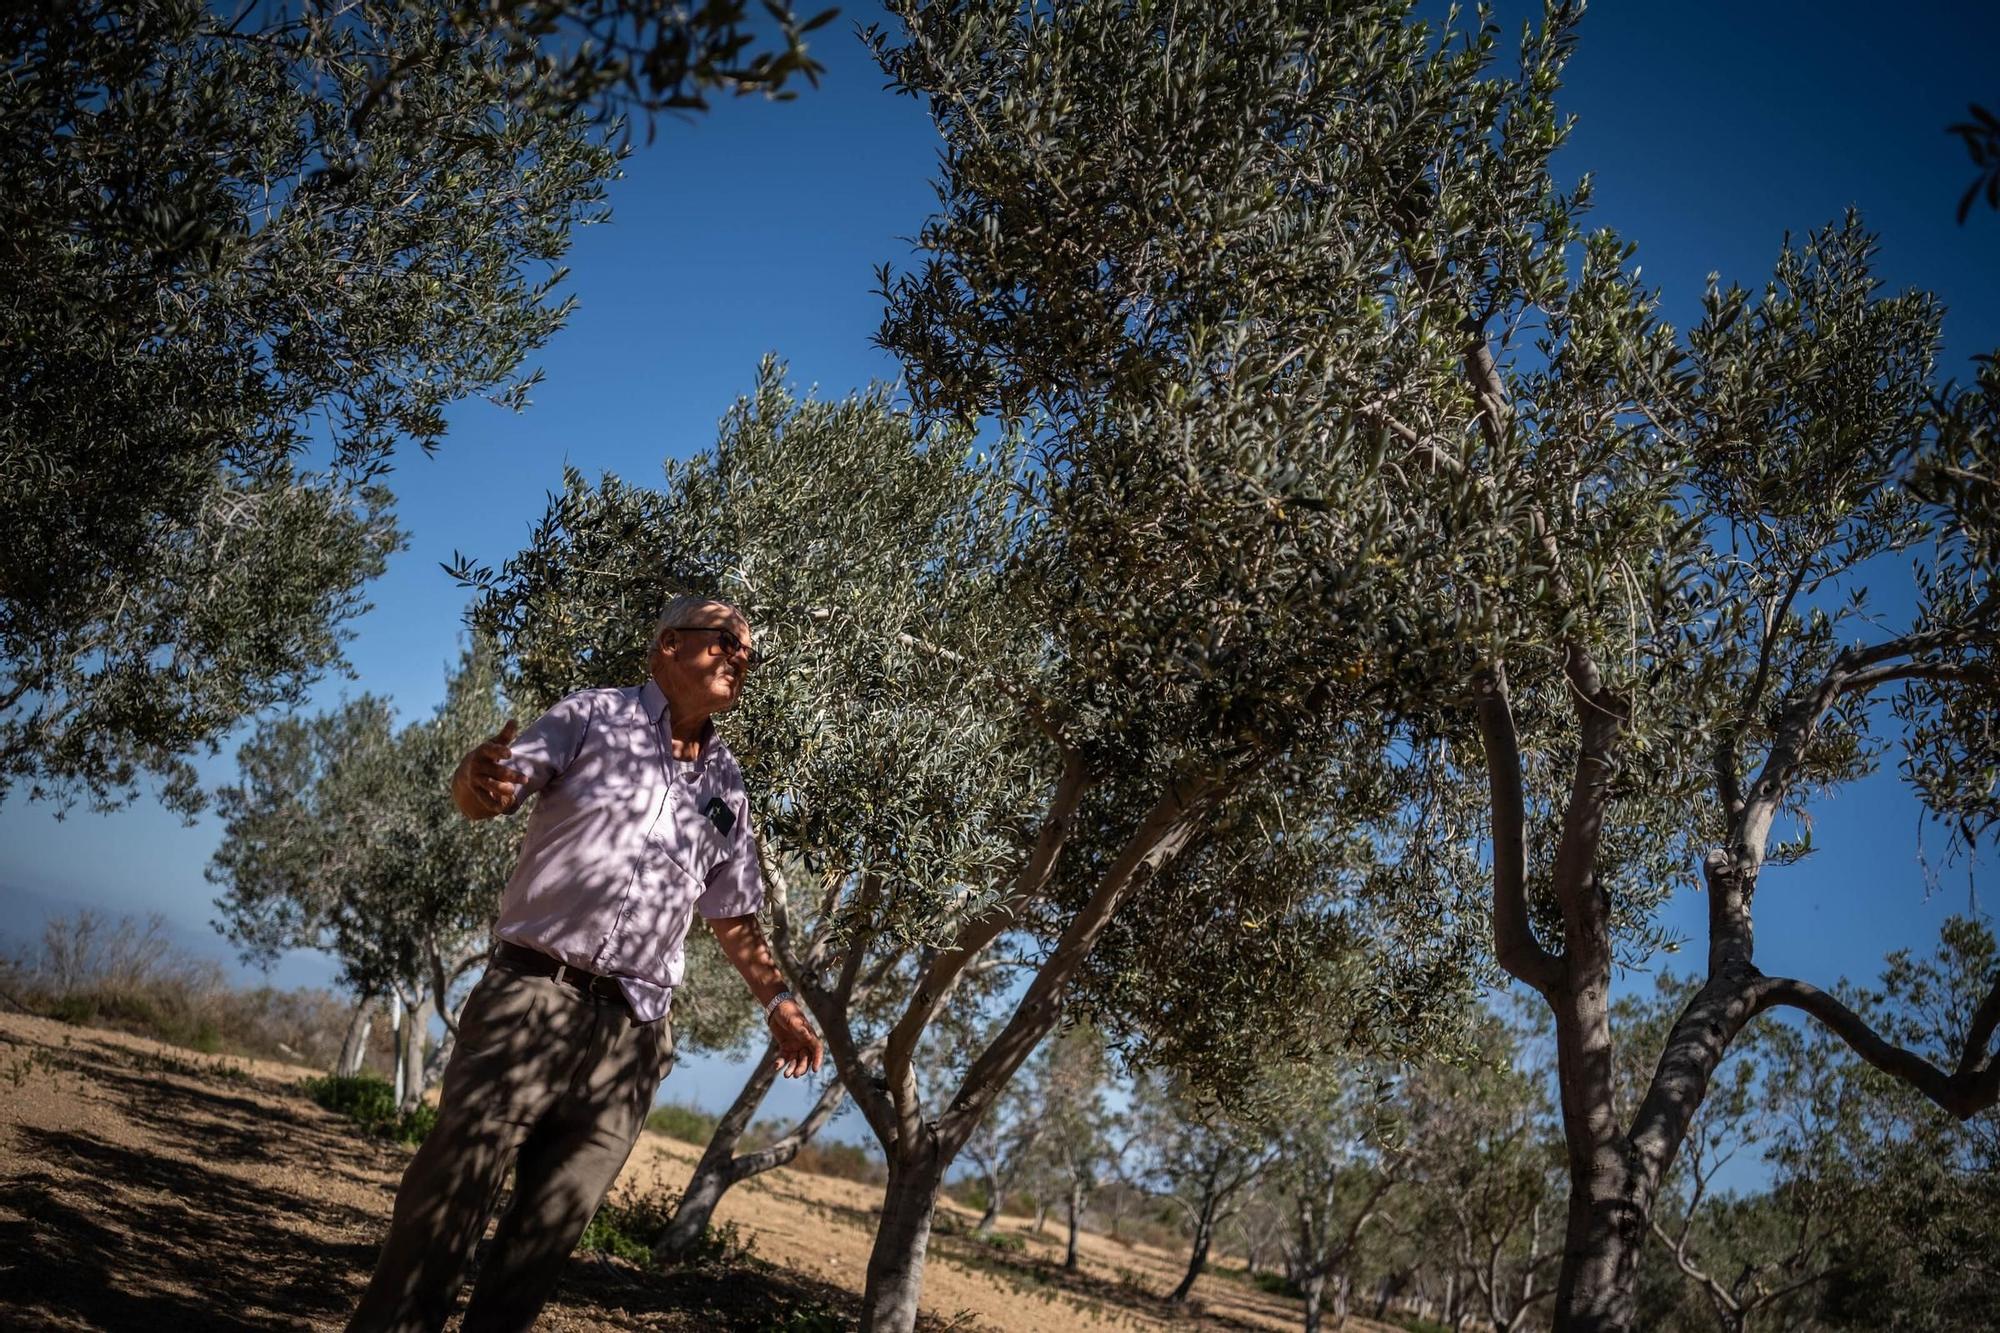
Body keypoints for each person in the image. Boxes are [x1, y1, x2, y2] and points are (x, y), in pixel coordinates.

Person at [346, 595, 822, 1333]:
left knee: (538, 1252)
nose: (740, 658)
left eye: (748, 652)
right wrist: (477, 779)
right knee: (441, 1214)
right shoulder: (592, 717)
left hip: (631, 1040)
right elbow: (490, 791)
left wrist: (779, 1002)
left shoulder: (727, 786)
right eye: (726, 640)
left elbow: (732, 915)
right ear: (668, 644)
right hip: (532, 998)